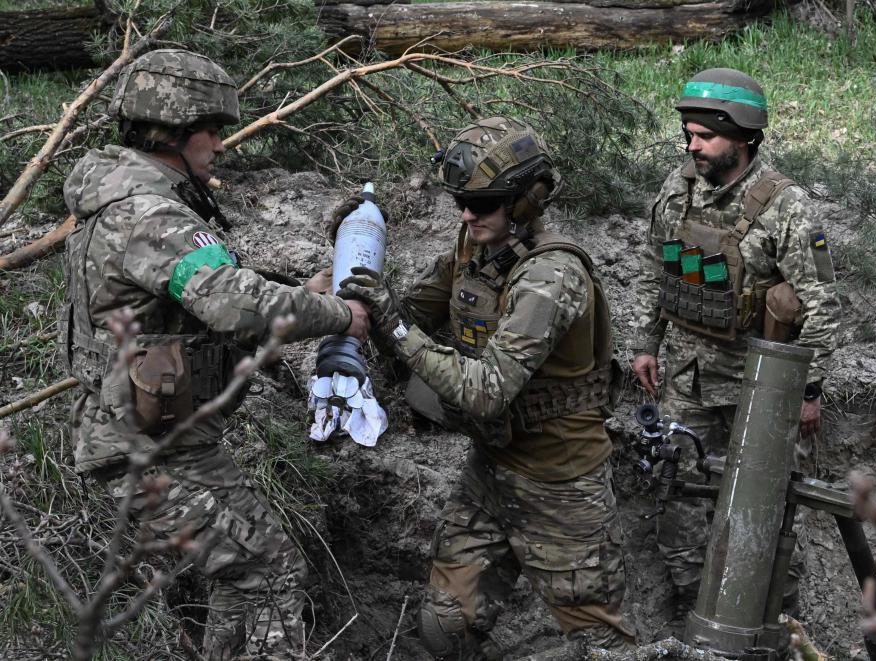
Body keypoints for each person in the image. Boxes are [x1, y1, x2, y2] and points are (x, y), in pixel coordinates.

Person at [59, 49, 369, 659]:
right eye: (214, 131)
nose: (221, 146)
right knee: (268, 571)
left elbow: (195, 309)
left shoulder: (125, 201)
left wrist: (295, 295)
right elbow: (232, 306)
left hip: (158, 443)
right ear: (176, 131)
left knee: (250, 575)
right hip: (143, 454)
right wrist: (339, 315)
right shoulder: (151, 214)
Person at [338, 117, 636, 657]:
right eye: (462, 202)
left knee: (599, 644)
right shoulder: (474, 244)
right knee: (444, 627)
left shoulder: (552, 277)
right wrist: (357, 284)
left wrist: (396, 328)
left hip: (561, 484)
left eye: (483, 204)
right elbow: (406, 316)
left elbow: (485, 390)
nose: (467, 214)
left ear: (525, 203)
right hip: (493, 469)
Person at [630, 68, 842, 629]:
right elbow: (658, 272)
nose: (691, 145)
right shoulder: (677, 190)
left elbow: (822, 304)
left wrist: (809, 389)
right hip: (688, 377)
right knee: (678, 498)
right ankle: (688, 614)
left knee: (767, 512)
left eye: (704, 135)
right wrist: (645, 345)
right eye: (688, 133)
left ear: (743, 136)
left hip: (762, 388)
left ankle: (776, 624)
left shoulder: (786, 206)